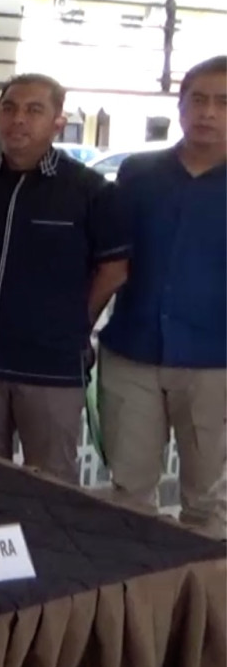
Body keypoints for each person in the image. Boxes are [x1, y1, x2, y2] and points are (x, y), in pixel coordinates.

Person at [0, 73, 129, 484]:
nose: (18, 119)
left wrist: (74, 322)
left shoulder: (89, 190)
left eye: (34, 110)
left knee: (52, 484)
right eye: (9, 108)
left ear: (58, 122)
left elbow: (114, 270)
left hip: (51, 366)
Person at [99, 55, 227, 541]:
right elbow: (108, 257)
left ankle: (202, 590)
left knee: (208, 505)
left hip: (215, 365)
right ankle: (133, 588)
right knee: (128, 495)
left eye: (224, 103)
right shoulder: (139, 173)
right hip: (133, 353)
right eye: (199, 99)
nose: (208, 112)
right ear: (180, 105)